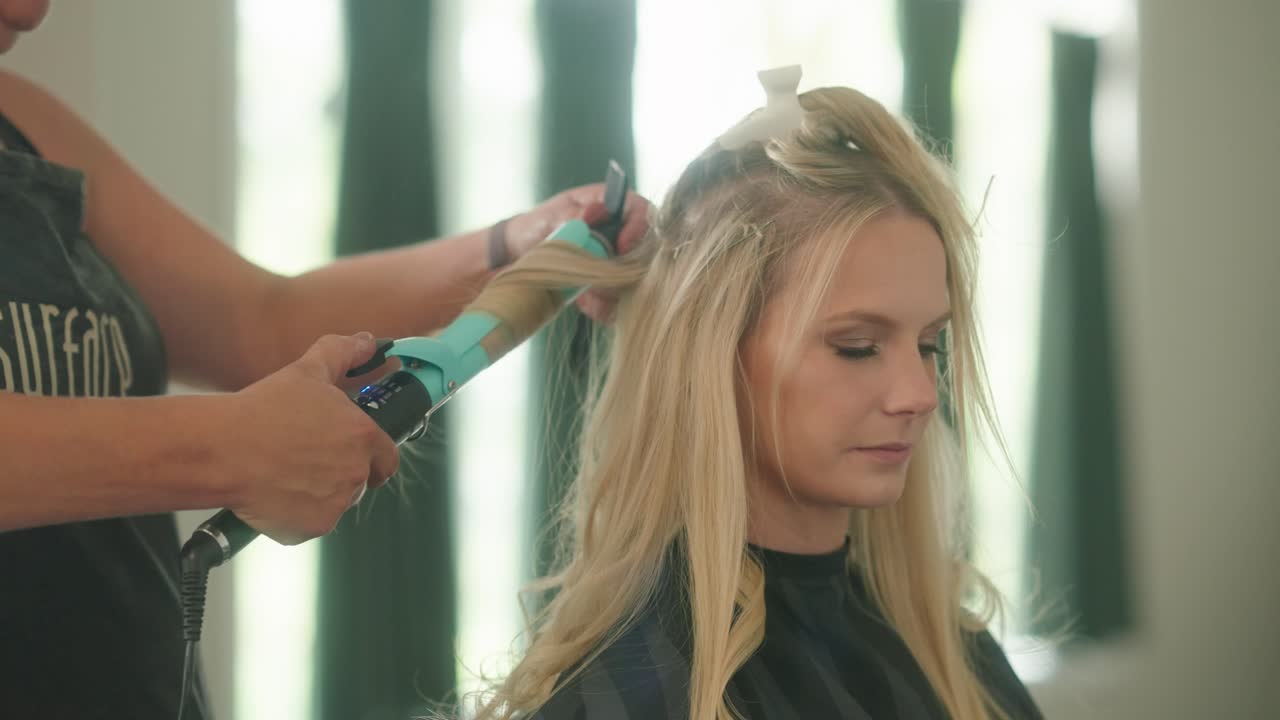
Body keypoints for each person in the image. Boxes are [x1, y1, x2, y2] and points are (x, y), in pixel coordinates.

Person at [0, 2, 650, 718]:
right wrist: (227, 449)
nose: (32, 9)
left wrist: (513, 247)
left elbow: (260, 323)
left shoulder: (23, 121)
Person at [451, 70, 1044, 719]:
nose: (920, 394)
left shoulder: (953, 654)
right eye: (857, 346)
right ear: (710, 354)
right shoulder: (634, 692)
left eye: (930, 344)